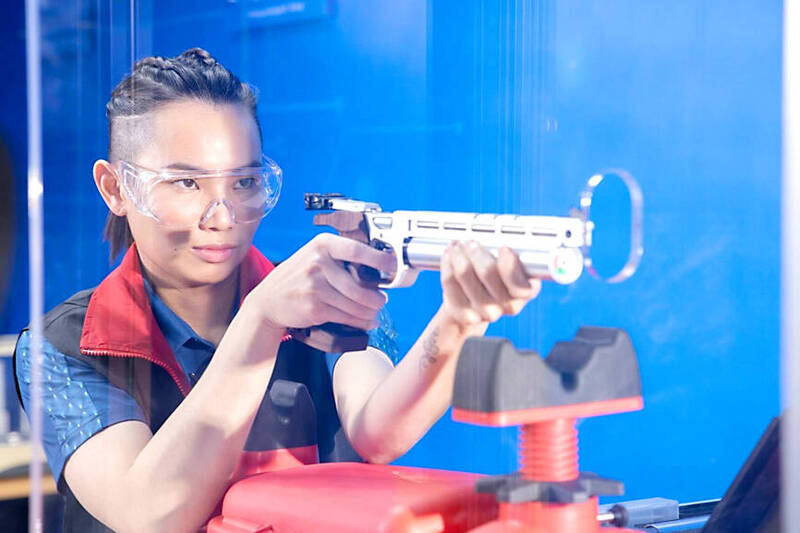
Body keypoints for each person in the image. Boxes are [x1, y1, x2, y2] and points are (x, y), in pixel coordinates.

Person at [13, 48, 540, 533]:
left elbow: (379, 431)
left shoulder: (315, 295)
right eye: (186, 183)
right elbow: (150, 511)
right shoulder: (61, 346)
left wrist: (461, 319)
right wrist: (261, 320)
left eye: (243, 183)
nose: (222, 218)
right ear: (115, 189)